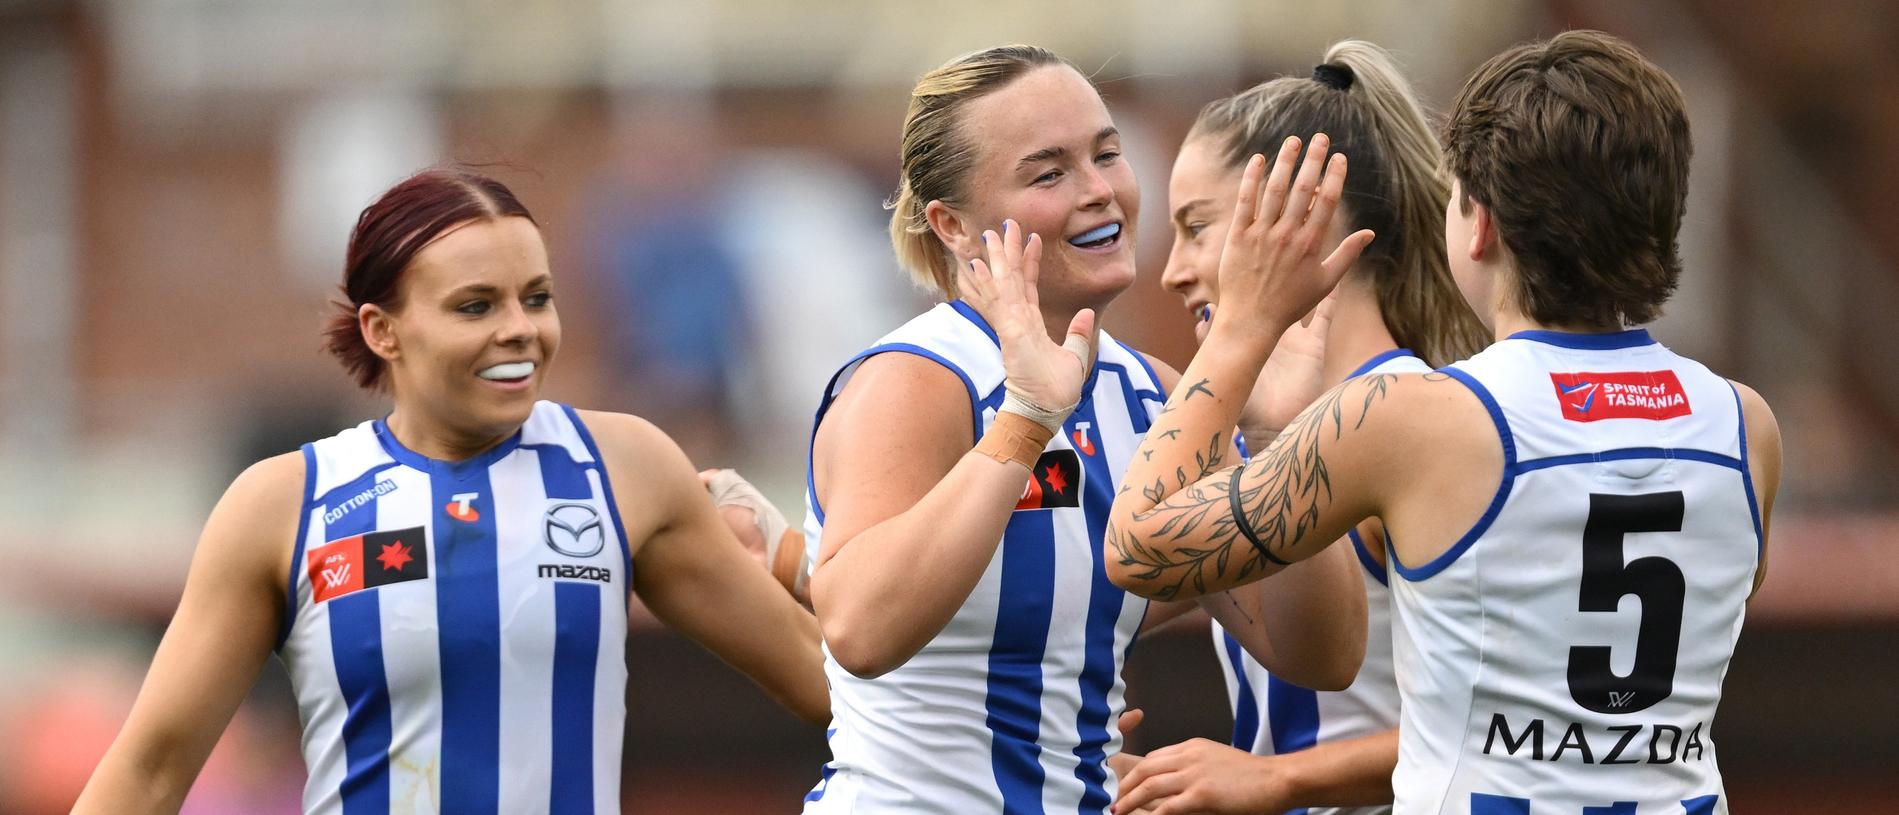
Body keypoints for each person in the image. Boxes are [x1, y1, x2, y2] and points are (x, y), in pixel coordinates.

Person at [1098, 31, 1780, 814]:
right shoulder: (1745, 425)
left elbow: (1138, 543)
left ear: (1479, 222)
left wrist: (1240, 330)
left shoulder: (1416, 416)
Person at [74, 169, 830, 814]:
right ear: (382, 330)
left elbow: (827, 687)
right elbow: (150, 769)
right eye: (476, 306)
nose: (519, 330)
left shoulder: (624, 464)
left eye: (536, 298)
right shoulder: (284, 503)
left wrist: (798, 559)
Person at [801, 45, 1366, 814]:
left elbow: (1315, 653)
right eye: (1048, 173)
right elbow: (859, 629)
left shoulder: (1152, 395)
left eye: (1107, 155)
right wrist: (1026, 420)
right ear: (952, 224)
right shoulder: (918, 377)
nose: (1100, 191)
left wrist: (1280, 436)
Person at [1124, 41, 1491, 815]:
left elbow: (1509, 722)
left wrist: (1275, 777)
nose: (1172, 268)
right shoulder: (1262, 431)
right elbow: (1109, 583)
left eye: (1197, 226)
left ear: (1304, 217)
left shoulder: (1413, 418)